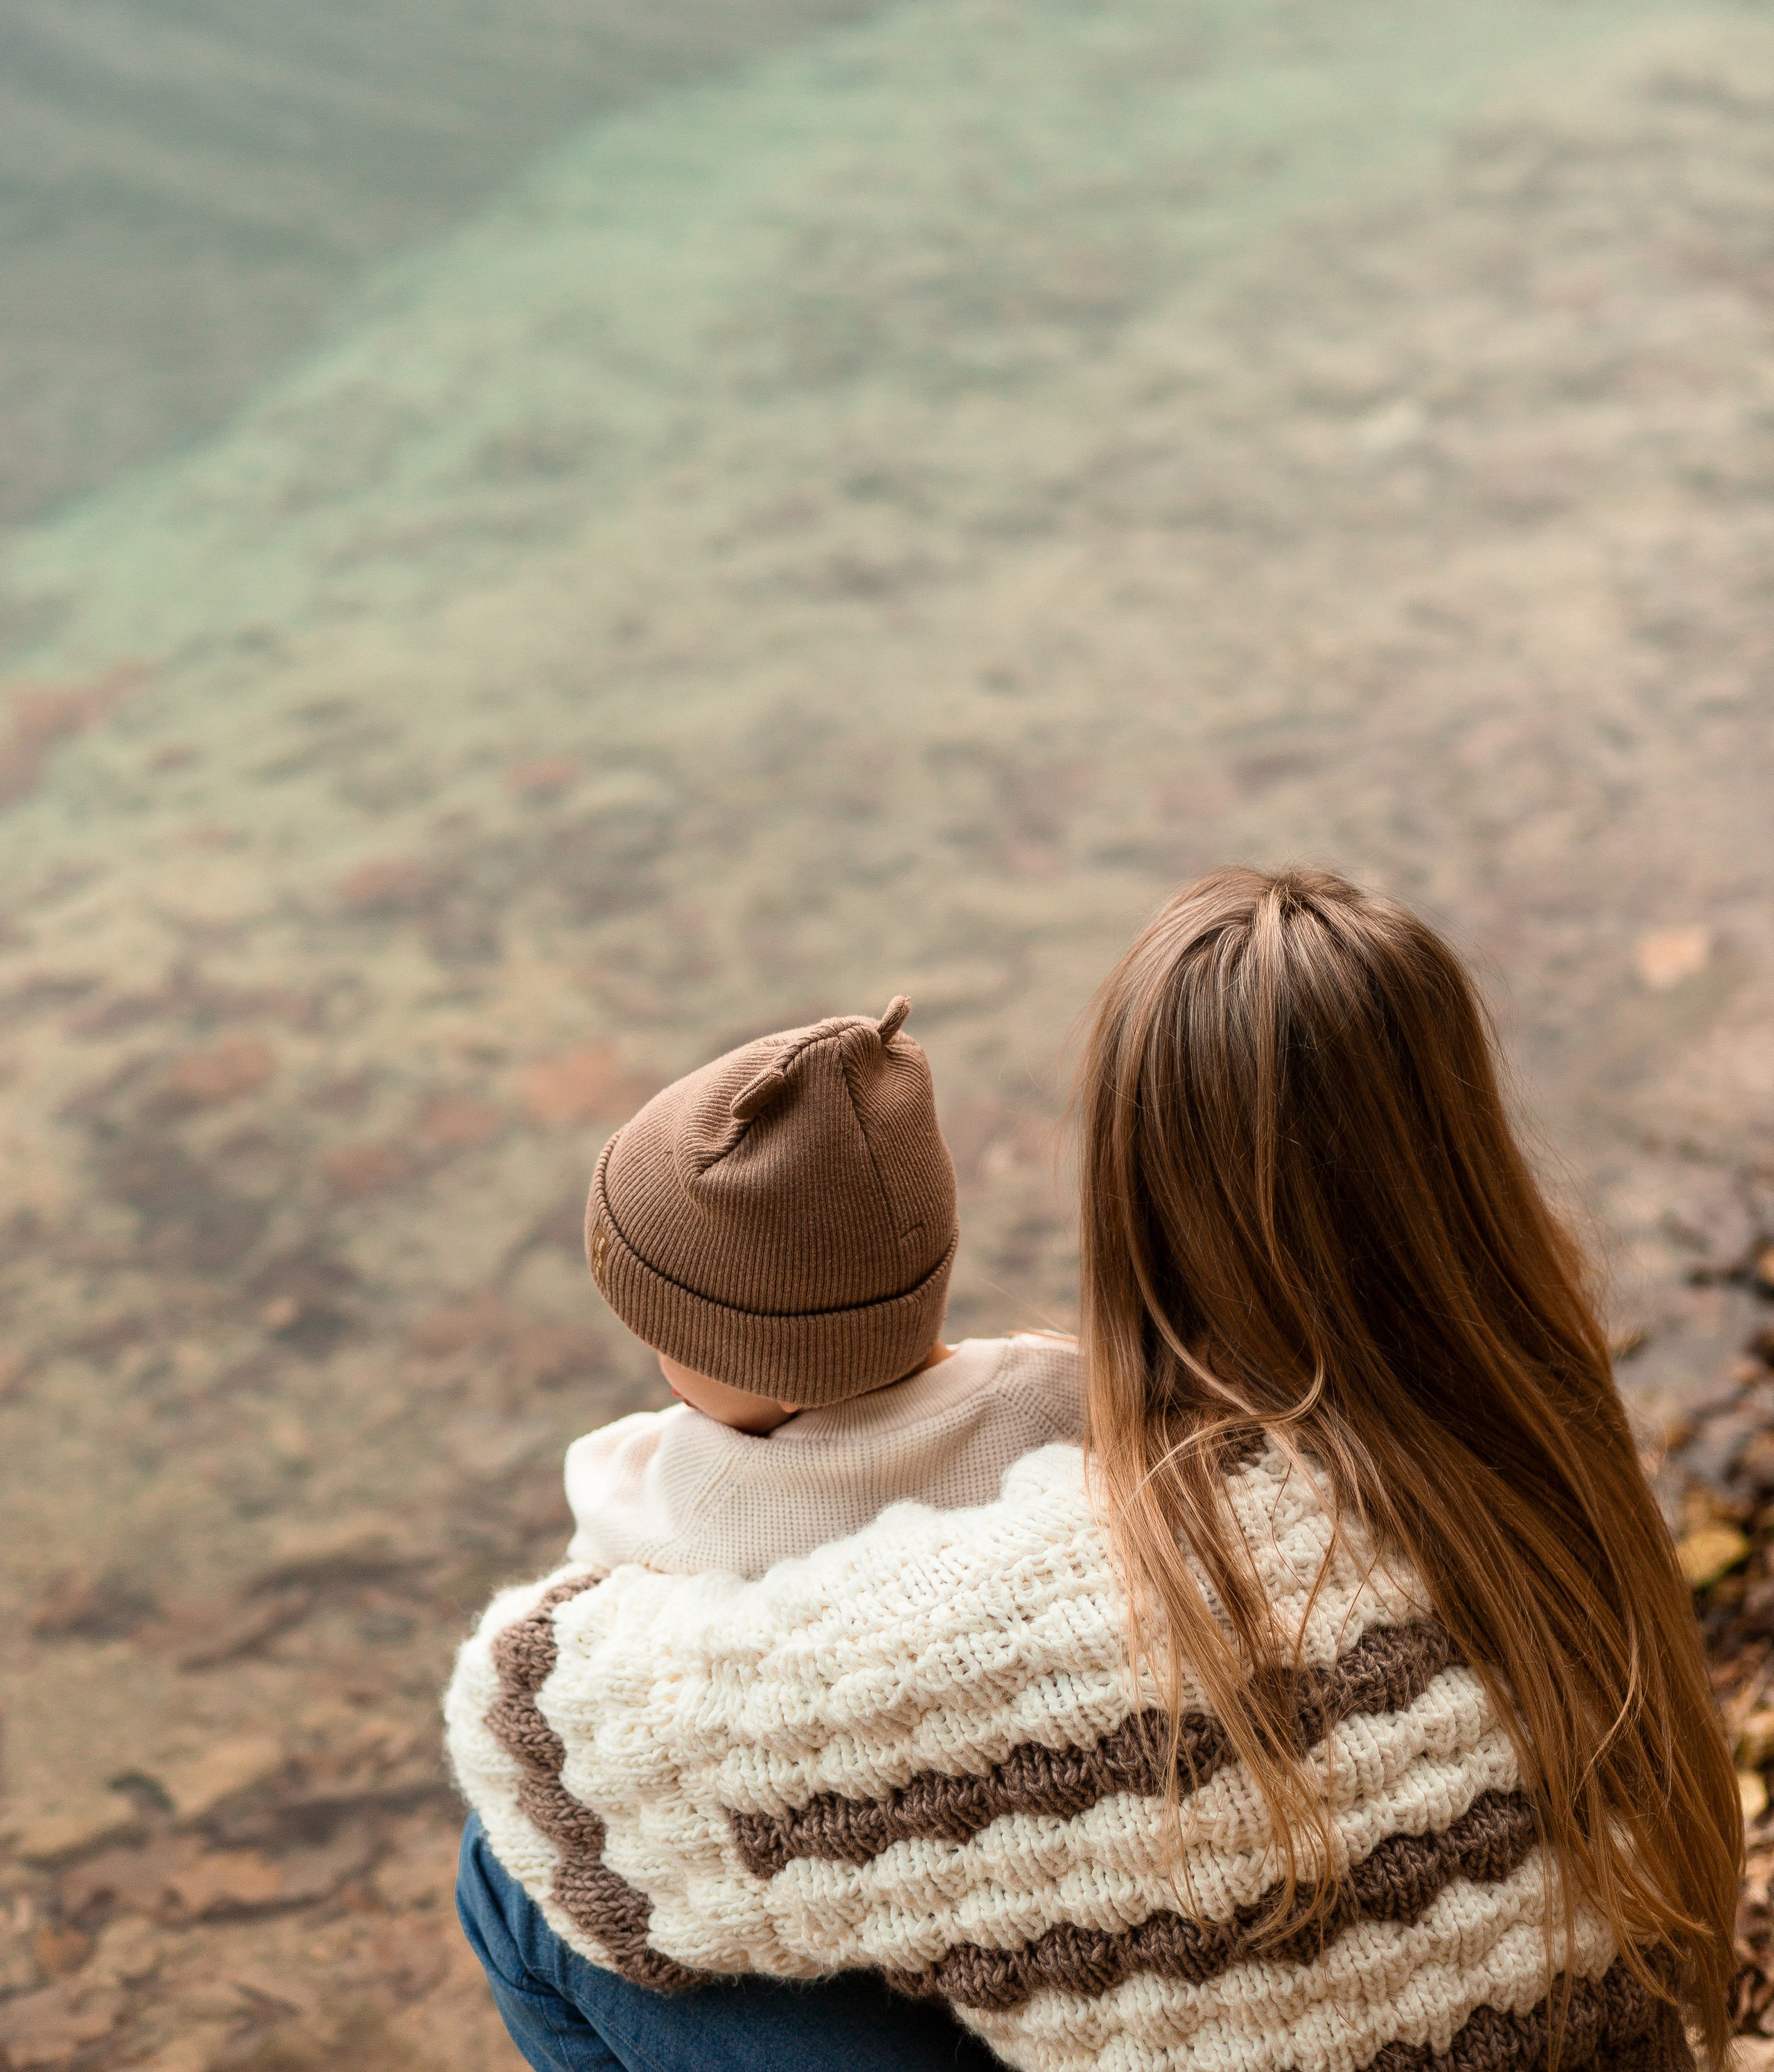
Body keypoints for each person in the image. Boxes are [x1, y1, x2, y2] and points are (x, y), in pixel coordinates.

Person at [451, 868, 1740, 2072]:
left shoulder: (1079, 1591)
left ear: (1139, 1186)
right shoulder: (1541, 1438)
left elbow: (536, 1732)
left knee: (520, 1888)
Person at [456, 991, 1078, 2069]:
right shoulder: (1063, 1394)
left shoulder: (661, 1495)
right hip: (1046, 1902)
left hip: (854, 1907)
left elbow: (594, 1674)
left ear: (704, 1342)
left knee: (514, 1870)